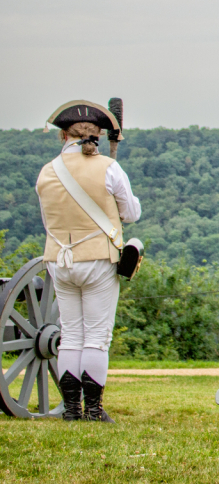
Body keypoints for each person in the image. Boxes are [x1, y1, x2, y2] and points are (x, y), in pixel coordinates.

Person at [36, 101, 141, 422]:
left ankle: (71, 409)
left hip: (59, 260)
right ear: (96, 135)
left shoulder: (46, 172)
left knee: (71, 334)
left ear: (63, 136)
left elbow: (48, 221)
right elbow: (131, 214)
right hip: (97, 258)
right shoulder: (108, 167)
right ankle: (93, 410)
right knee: (96, 337)